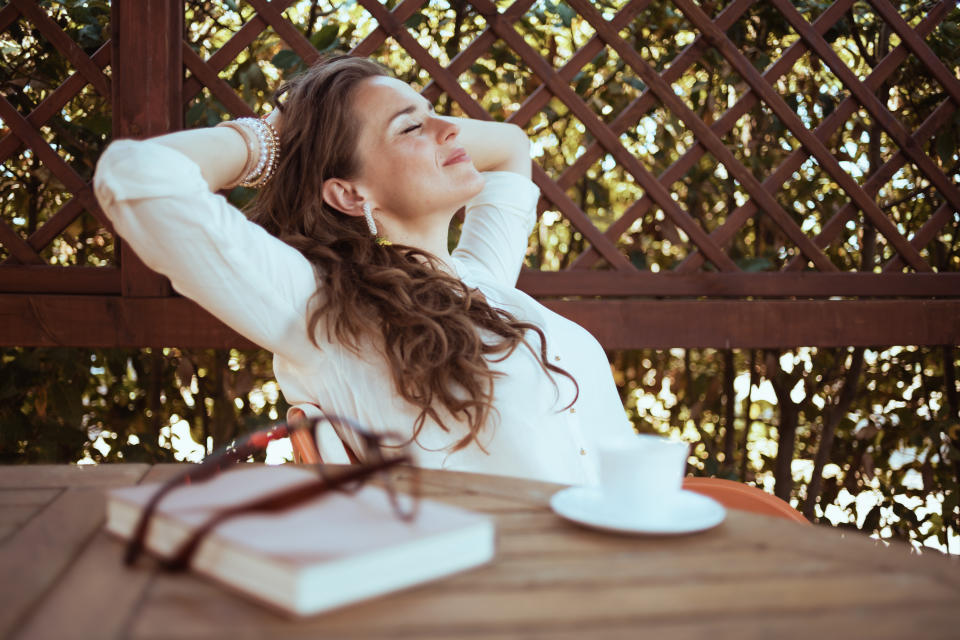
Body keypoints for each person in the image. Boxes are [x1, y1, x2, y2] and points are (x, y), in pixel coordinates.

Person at [93, 55, 634, 485]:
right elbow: (137, 177)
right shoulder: (318, 310)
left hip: (626, 567)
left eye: (435, 113)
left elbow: (512, 146)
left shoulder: (485, 281)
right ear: (349, 193)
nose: (451, 130)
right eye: (410, 128)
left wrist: (407, 121)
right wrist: (273, 136)